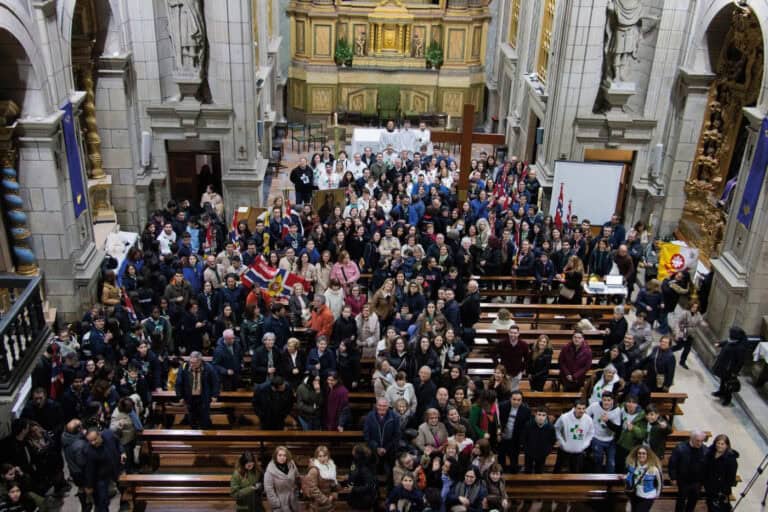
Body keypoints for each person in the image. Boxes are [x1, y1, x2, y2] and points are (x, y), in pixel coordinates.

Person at [175, 351, 220, 428]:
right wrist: (180, 397)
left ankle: (205, 435)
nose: (192, 365)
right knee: (192, 418)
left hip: (203, 397)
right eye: (191, 362)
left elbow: (215, 382)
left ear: (200, 361)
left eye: (194, 363)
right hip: (190, 397)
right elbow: (179, 383)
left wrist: (214, 395)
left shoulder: (208, 367)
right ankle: (194, 434)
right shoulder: (184, 367)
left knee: (205, 418)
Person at [84, 428, 125, 512]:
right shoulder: (90, 451)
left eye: (94, 440)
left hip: (115, 468)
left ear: (99, 435)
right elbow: (90, 470)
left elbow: (118, 443)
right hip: (101, 476)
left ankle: (124, 503)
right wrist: (89, 486)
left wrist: (122, 452)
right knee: (102, 500)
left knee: (123, 488)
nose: (93, 443)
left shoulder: (109, 435)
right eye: (90, 441)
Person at [668, 430, 707, 512]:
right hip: (683, 480)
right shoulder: (680, 448)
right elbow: (672, 464)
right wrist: (673, 477)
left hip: (697, 481)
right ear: (691, 438)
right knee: (681, 500)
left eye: (702, 441)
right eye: (697, 441)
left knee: (693, 501)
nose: (700, 443)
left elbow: (706, 466)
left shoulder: (704, 450)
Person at [553, 399, 594, 473]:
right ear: (574, 408)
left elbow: (591, 433)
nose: (581, 411)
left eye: (583, 408)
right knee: (557, 471)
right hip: (564, 450)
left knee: (575, 472)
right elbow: (557, 428)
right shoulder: (564, 417)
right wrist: (561, 441)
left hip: (578, 451)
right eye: (579, 408)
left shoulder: (588, 420)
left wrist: (585, 444)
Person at [712, 326, 749, 406]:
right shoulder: (734, 340)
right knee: (722, 380)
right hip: (724, 364)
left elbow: (740, 362)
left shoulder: (741, 347)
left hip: (730, 368)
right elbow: (727, 342)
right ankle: (721, 392)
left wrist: (735, 372)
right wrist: (720, 344)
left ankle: (727, 399)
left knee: (728, 385)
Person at [586, 391, 621, 472]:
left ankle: (610, 482)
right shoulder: (595, 406)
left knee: (611, 462)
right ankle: (598, 480)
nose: (606, 402)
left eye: (609, 400)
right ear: (601, 399)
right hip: (597, 438)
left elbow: (617, 429)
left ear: (612, 401)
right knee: (597, 461)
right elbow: (585, 415)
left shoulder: (617, 410)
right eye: (604, 400)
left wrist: (607, 422)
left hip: (610, 440)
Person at [497, 390, 530, 473]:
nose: (516, 402)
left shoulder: (526, 410)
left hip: (515, 440)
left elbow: (525, 427)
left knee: (514, 461)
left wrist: (522, 440)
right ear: (510, 399)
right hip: (502, 438)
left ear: (522, 400)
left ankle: (513, 476)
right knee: (501, 459)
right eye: (514, 399)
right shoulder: (502, 406)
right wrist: (498, 433)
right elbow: (497, 421)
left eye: (519, 400)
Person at [363, 398, 401, 472]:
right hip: (373, 448)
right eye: (380, 405)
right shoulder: (370, 416)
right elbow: (367, 435)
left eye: (384, 406)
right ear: (376, 406)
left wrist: (386, 448)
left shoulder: (395, 417)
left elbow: (397, 436)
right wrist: (377, 448)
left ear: (388, 406)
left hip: (390, 449)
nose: (382, 408)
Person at [703, 434, 739, 512]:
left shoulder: (731, 460)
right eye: (718, 443)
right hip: (709, 487)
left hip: (720, 491)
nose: (719, 446)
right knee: (710, 506)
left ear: (727, 445)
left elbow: (730, 479)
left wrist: (722, 490)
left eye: (722, 444)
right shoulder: (710, 453)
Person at [624, 445, 663, 512]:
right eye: (639, 453)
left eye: (643, 453)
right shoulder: (633, 465)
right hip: (635, 495)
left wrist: (657, 494)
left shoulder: (654, 469)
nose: (641, 455)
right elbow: (629, 478)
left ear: (648, 455)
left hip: (648, 496)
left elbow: (659, 483)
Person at [493, 325, 530, 391]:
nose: (513, 334)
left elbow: (527, 358)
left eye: (515, 333)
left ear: (518, 334)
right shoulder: (502, 343)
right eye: (511, 332)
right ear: (508, 333)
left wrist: (522, 369)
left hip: (517, 372)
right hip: (504, 372)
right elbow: (493, 354)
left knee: (514, 390)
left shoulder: (524, 345)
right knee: (504, 390)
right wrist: (498, 366)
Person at [303, 445, 339, 512]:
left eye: (324, 456)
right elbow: (313, 488)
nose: (322, 459)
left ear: (328, 456)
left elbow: (334, 484)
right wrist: (325, 500)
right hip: (318, 505)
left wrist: (333, 494)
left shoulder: (332, 467)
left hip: (330, 503)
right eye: (320, 456)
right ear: (316, 457)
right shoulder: (314, 469)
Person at [264, 446, 300, 512]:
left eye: (284, 455)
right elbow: (269, 489)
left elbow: (297, 478)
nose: (282, 457)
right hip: (280, 503)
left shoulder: (291, 464)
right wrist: (276, 504)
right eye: (280, 455)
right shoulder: (270, 470)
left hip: (293, 501)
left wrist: (296, 493)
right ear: (275, 456)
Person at [522, 406, 556, 474]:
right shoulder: (528, 425)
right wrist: (526, 450)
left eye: (543, 415)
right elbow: (523, 439)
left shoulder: (550, 428)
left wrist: (547, 451)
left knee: (539, 472)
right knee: (527, 471)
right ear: (535, 415)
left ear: (546, 416)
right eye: (539, 414)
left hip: (542, 454)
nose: (541, 417)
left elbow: (552, 441)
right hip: (529, 454)